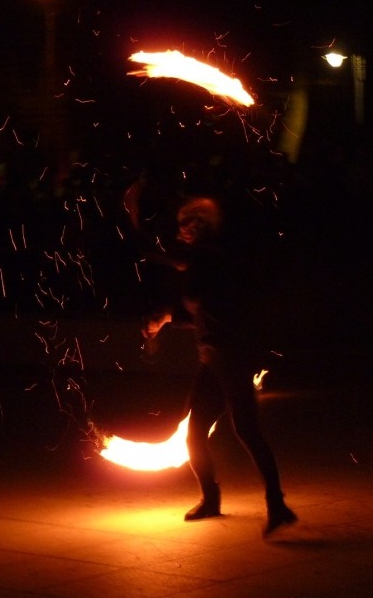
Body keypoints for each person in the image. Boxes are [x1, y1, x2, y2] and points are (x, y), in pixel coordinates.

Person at [139, 193, 297, 536]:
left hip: (232, 356)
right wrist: (167, 316)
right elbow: (203, 309)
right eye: (182, 224)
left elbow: (181, 265)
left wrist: (135, 225)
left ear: (202, 225)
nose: (183, 230)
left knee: (247, 431)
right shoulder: (202, 261)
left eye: (189, 223)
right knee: (195, 433)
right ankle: (211, 499)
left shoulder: (213, 256)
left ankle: (277, 503)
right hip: (212, 358)